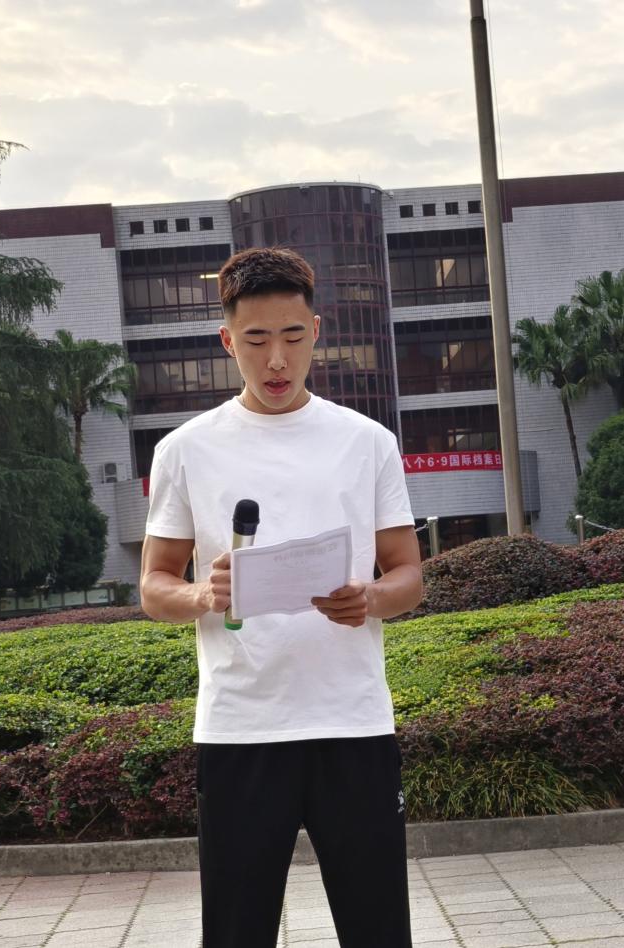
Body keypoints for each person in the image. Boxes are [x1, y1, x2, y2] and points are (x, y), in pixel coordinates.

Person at [139, 247, 423, 948]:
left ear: (316, 332)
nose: (276, 360)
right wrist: (203, 594)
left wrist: (370, 599)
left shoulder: (367, 442)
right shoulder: (185, 449)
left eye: (293, 337)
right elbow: (154, 585)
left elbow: (408, 575)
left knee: (379, 929)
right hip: (242, 727)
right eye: (256, 339)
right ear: (226, 340)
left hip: (352, 722)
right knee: (237, 932)